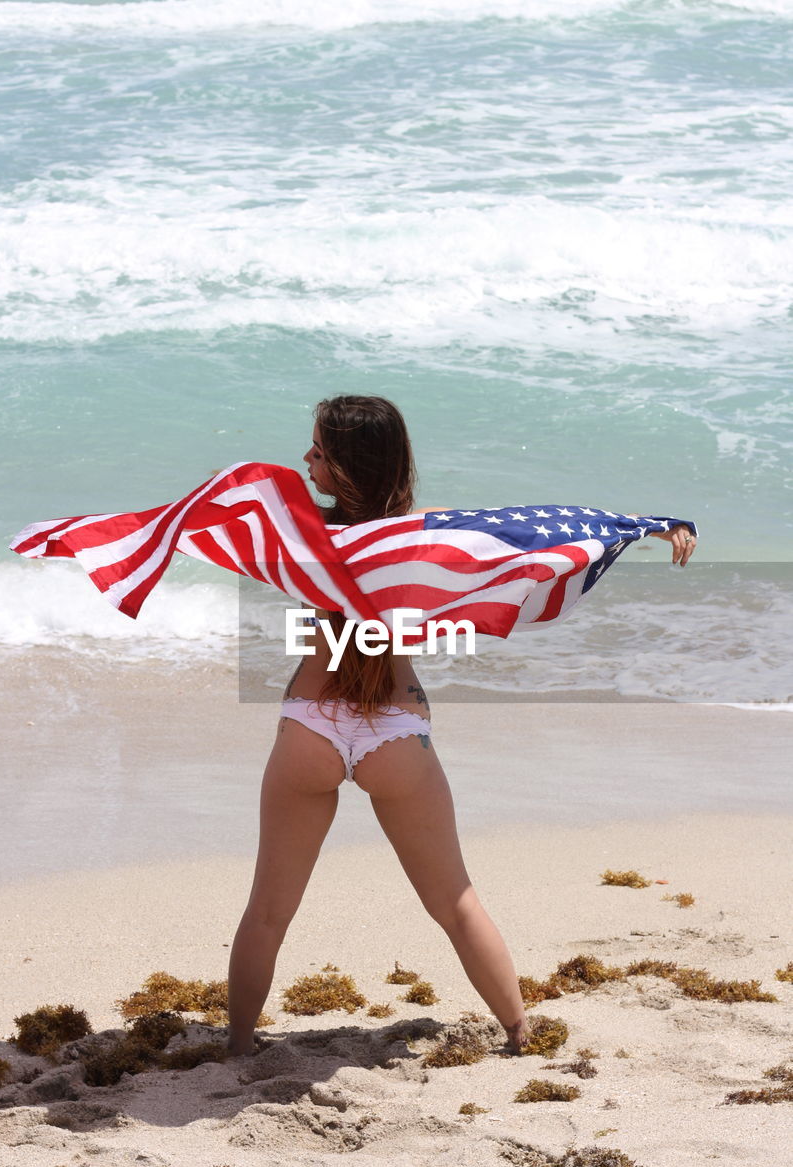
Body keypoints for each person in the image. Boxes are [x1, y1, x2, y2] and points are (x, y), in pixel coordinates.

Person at [224, 395, 696, 1059]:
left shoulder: (300, 533)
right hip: (398, 730)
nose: (306, 459)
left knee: (268, 912)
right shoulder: (428, 534)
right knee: (456, 903)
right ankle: (518, 1033)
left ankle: (239, 1046)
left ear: (346, 465)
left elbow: (202, 523)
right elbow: (545, 533)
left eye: (319, 452)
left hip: (310, 723)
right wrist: (649, 526)